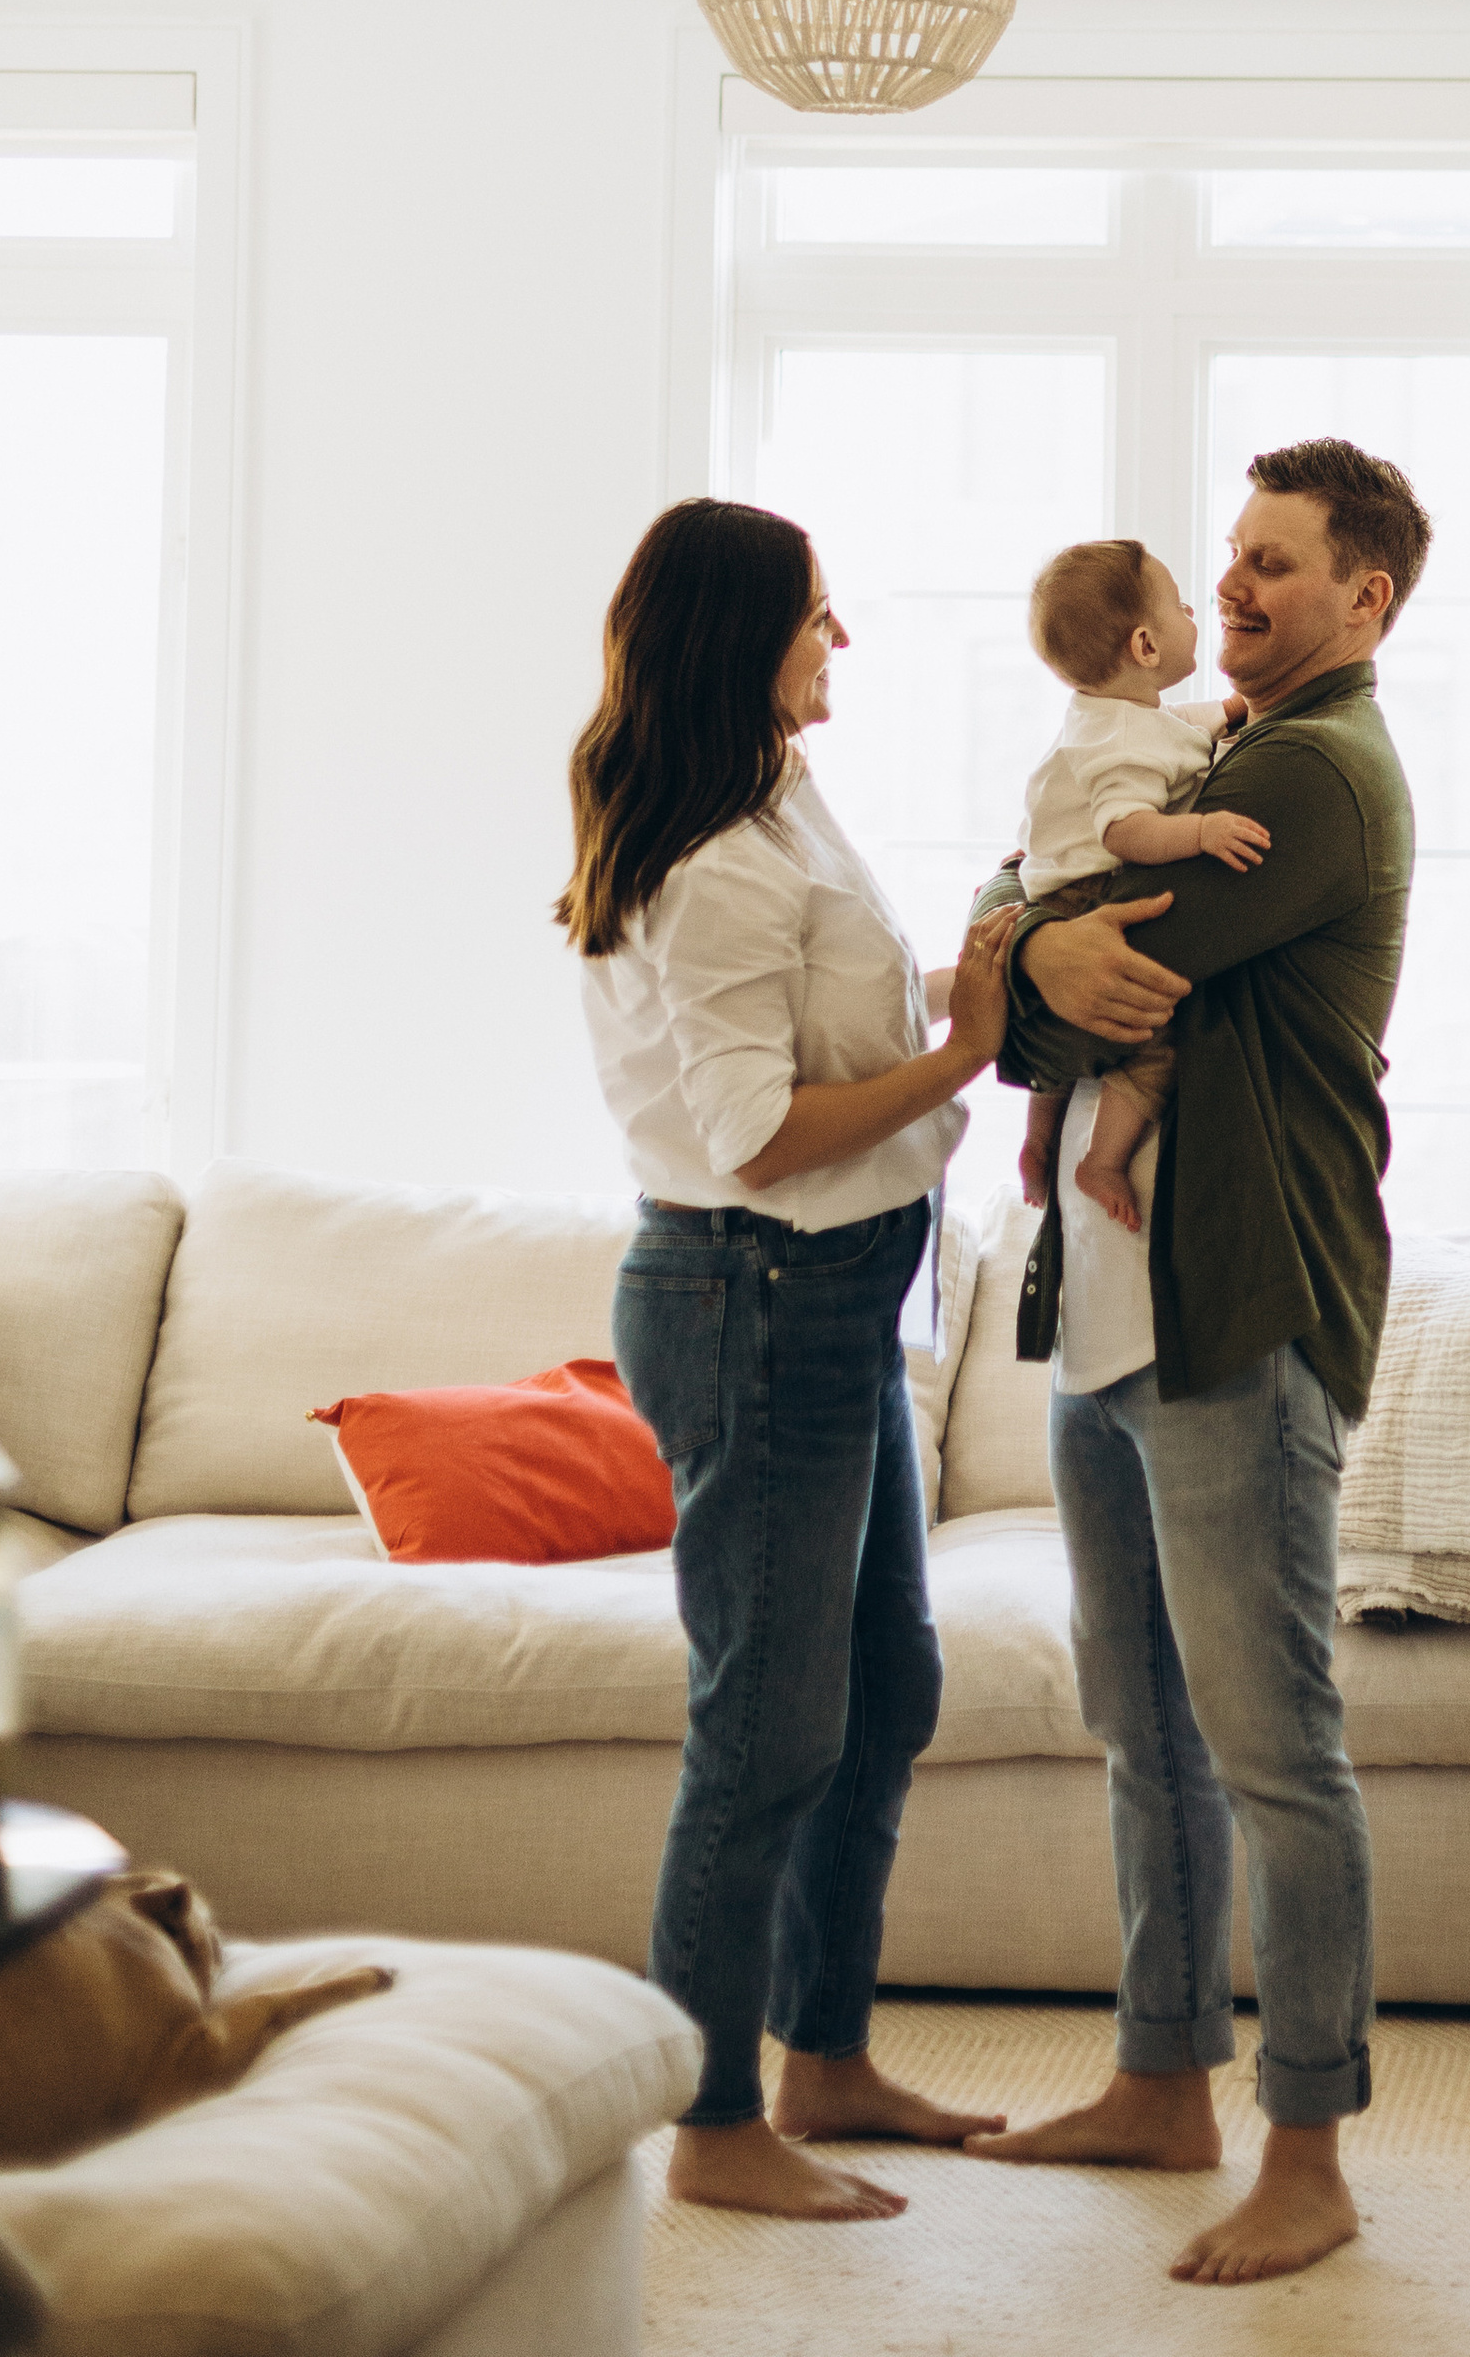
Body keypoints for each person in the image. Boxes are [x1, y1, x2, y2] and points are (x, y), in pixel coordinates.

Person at [966, 436, 1429, 2287]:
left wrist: (1013, 941)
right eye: (1226, 559)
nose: (1231, 587)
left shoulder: (1316, 774)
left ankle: (1306, 2146)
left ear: (1364, 598)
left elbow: (1078, 935)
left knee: (1272, 1746)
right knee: (1138, 1725)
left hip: (1240, 1314)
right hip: (1110, 1312)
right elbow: (1033, 957)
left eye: (1275, 565)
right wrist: (1024, 947)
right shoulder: (1216, 750)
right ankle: (1164, 2080)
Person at [562, 495, 1019, 2223]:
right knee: (764, 1725)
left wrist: (953, 986)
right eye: (819, 614)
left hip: (835, 1295)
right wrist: (963, 1052)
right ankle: (712, 2123)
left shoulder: (772, 798)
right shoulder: (713, 864)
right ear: (739, 633)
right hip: (756, 1293)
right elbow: (756, 1133)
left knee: (885, 1686)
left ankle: (828, 2058)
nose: (843, 640)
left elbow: (808, 1034)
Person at [1013, 537, 1268, 1235]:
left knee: (1064, 1030)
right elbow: (1125, 830)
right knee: (1155, 1038)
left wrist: (1234, 710)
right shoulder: (1124, 744)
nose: (1198, 609)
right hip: (1088, 892)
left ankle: (1038, 1137)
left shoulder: (1114, 715)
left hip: (1049, 887)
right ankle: (1101, 1159)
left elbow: (1177, 729)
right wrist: (1202, 831)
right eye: (1182, 606)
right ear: (1147, 645)